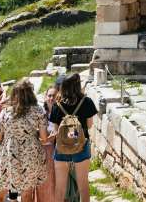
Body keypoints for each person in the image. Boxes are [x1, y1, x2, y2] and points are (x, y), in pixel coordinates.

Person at [0, 81, 49, 202]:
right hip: (31, 154)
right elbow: (44, 138)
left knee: (2, 186)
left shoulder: (6, 111)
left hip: (8, 154)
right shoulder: (39, 110)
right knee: (27, 193)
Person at [49, 74, 97, 202]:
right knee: (83, 186)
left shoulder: (57, 104)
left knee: (60, 188)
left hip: (61, 148)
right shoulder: (86, 102)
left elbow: (55, 129)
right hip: (81, 145)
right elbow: (90, 125)